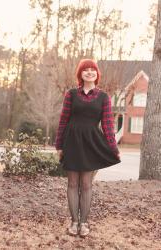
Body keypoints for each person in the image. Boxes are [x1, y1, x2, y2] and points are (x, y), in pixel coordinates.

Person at [55, 58, 121, 237]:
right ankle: (73, 223)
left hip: (91, 144)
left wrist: (113, 147)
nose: (89, 72)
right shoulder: (71, 95)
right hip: (72, 142)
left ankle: (84, 223)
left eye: (93, 69)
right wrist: (59, 145)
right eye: (86, 70)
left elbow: (107, 124)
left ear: (97, 74)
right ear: (80, 74)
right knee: (72, 183)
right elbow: (63, 120)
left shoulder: (103, 97)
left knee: (86, 184)